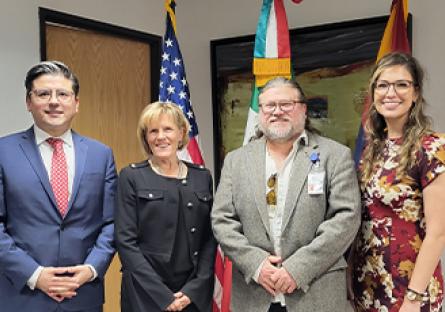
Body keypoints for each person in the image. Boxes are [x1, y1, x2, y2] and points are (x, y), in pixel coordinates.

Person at [211, 77, 361, 312]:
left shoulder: (335, 155)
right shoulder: (236, 160)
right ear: (260, 112)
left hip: (315, 294)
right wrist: (257, 264)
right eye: (269, 106)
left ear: (303, 109)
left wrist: (297, 268)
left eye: (286, 104)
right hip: (254, 296)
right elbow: (222, 220)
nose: (277, 112)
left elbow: (346, 219)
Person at [0, 61, 117, 311]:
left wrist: (91, 269)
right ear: (28, 102)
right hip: (21, 297)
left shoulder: (101, 154)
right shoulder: (3, 152)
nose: (54, 101)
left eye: (63, 94)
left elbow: (112, 222)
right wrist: (34, 274)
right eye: (43, 94)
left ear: (76, 103)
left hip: (83, 295)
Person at [351, 52, 445, 312]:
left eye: (401, 84)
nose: (390, 92)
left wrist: (413, 298)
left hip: (409, 290)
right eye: (382, 85)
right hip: (367, 285)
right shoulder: (371, 150)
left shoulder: (432, 147)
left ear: (415, 93)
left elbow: (438, 232)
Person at [115, 102, 215, 312]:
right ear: (146, 138)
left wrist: (193, 290)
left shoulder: (202, 177)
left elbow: (209, 239)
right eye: (153, 131)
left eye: (168, 129)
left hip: (191, 295)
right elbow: (125, 242)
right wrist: (162, 296)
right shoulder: (131, 176)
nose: (161, 137)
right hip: (145, 294)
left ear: (181, 133)